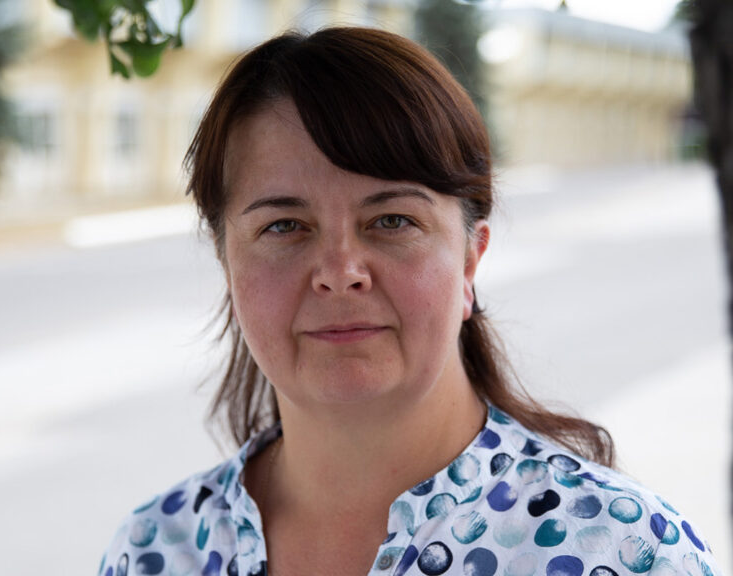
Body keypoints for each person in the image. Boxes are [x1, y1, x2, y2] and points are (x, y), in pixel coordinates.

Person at [99, 27, 721, 576]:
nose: (340, 274)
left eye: (392, 220)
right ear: (225, 261)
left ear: (471, 258)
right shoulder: (155, 550)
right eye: (284, 226)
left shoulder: (617, 552)